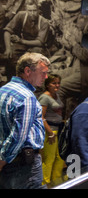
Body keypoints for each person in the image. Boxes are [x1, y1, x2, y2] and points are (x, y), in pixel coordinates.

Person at [0, 52, 50, 189]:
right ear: (28, 71)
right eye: (43, 73)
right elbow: (18, 136)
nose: (46, 77)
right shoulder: (27, 97)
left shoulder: (3, 90)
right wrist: (3, 160)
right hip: (23, 166)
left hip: (10, 163)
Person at [38, 74, 65, 187]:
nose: (57, 85)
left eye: (58, 83)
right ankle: (44, 183)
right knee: (48, 160)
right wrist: (49, 133)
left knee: (58, 159)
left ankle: (55, 182)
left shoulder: (56, 95)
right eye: (54, 83)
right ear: (47, 84)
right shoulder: (44, 97)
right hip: (49, 132)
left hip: (57, 130)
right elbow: (40, 117)